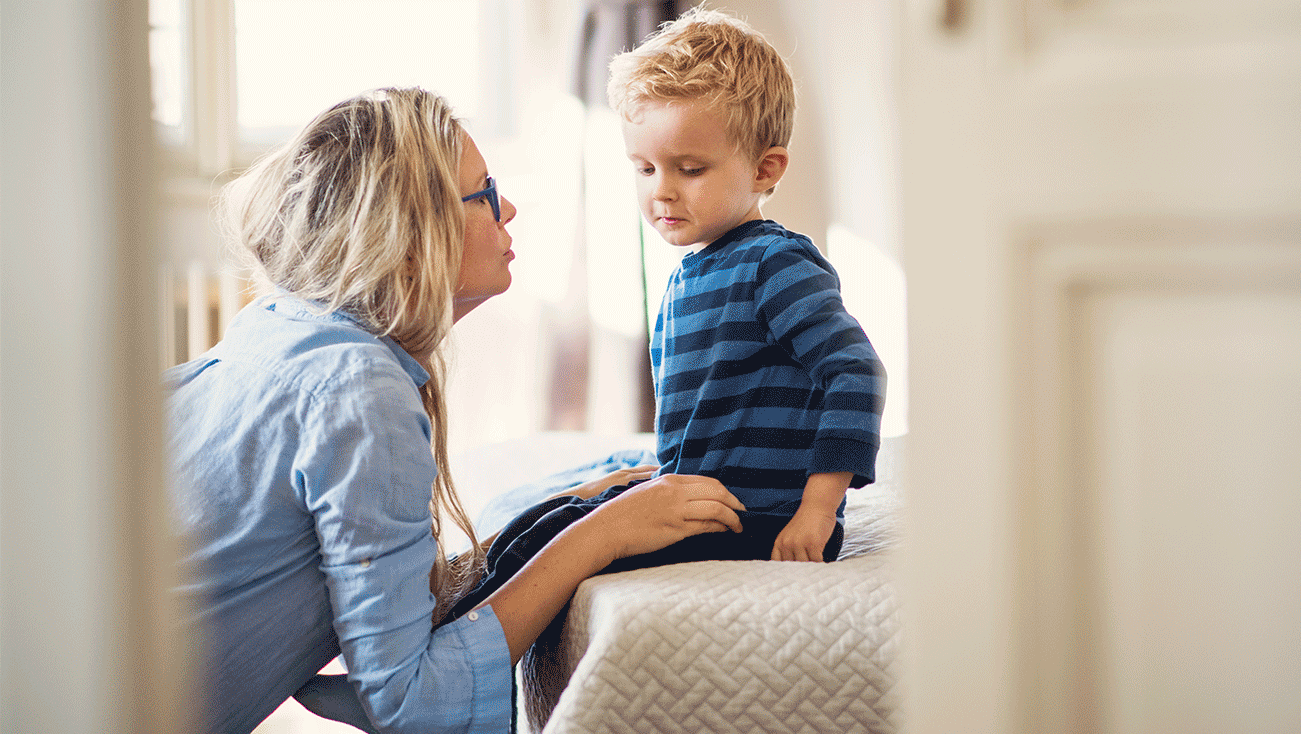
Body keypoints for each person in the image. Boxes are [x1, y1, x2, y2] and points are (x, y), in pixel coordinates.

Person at [164, 87, 745, 734]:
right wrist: (603, 534)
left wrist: (566, 512)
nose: (510, 208)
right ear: (409, 241)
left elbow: (392, 595)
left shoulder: (276, 330)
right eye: (484, 193)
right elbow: (412, 703)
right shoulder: (358, 389)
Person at [609, 7, 886, 563]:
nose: (661, 191)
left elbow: (856, 373)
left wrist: (817, 511)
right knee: (565, 512)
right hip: (704, 508)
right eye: (644, 168)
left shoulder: (773, 264)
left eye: (689, 169)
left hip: (760, 520)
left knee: (563, 537)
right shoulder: (687, 279)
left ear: (764, 170)